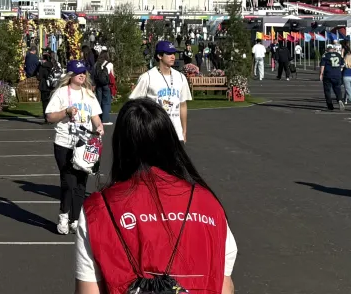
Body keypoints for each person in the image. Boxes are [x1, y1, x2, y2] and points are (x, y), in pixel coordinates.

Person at [74, 99, 236, 294]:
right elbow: (224, 285)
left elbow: (88, 290)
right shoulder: (208, 203)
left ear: (120, 146)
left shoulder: (98, 209)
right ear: (170, 143)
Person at [45, 60, 105, 235]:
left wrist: (99, 126)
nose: (82, 75)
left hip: (84, 143)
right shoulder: (61, 93)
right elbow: (49, 117)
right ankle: (63, 215)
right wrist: (66, 112)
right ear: (70, 75)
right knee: (69, 181)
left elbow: (95, 115)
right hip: (64, 142)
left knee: (80, 183)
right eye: (78, 72)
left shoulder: (88, 94)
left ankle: (75, 219)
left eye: (84, 72)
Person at [130, 41, 192, 143]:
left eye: (174, 53)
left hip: (176, 134)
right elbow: (134, 106)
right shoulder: (147, 77)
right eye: (169, 53)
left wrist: (184, 131)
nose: (173, 57)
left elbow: (183, 105)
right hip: (154, 134)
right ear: (159, 56)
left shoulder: (181, 77)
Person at [92, 50, 115, 125]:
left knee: (99, 101)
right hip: (106, 85)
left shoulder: (96, 64)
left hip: (98, 85)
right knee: (106, 101)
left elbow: (94, 75)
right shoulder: (109, 64)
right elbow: (112, 75)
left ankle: (98, 118)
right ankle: (105, 120)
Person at [36, 51, 59, 119]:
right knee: (51, 102)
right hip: (53, 85)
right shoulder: (54, 65)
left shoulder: (42, 66)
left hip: (44, 85)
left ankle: (46, 117)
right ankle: (52, 116)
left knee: (45, 102)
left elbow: (39, 77)